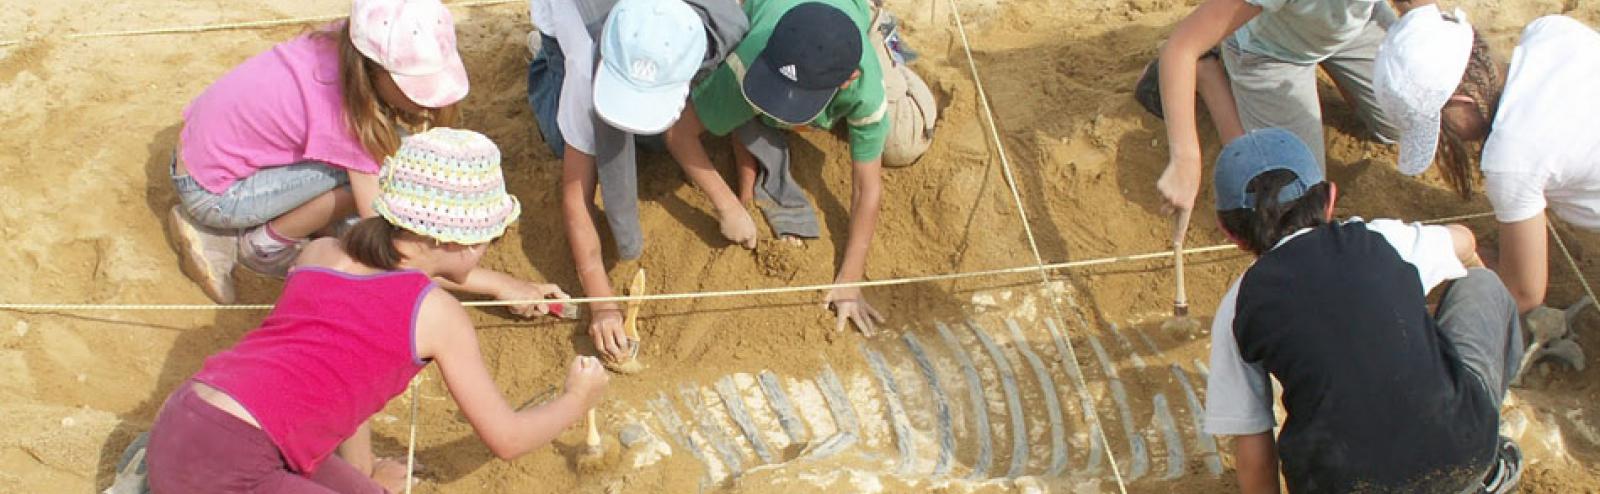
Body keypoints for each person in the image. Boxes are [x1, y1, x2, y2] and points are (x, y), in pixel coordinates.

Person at [145, 128, 608, 493]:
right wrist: (577, 398)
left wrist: (363, 471)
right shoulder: (437, 315)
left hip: (189, 417)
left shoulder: (321, 252)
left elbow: (345, 375)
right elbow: (507, 439)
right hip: (226, 467)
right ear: (456, 241)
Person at [1202, 128, 1522, 493]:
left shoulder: (1238, 305)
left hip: (1342, 485)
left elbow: (1254, 452)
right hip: (1462, 457)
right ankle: (1489, 462)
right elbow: (1463, 240)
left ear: (1230, 233)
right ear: (1330, 199)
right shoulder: (1380, 240)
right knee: (1482, 285)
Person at [165, 0, 467, 304]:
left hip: (202, 157)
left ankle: (300, 220)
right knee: (372, 173)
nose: (427, 101)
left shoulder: (344, 52)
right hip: (213, 194)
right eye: (415, 86)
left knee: (381, 156)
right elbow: (378, 226)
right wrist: (482, 279)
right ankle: (263, 246)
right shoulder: (345, 117)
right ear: (374, 71)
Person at [526, 0, 749, 361]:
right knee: (562, 137)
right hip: (571, 26)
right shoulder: (587, 65)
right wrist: (602, 304)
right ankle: (546, 61)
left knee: (653, 140)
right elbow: (576, 198)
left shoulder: (718, 22)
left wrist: (728, 202)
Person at [664, 0, 890, 335]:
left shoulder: (865, 90)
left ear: (848, 80)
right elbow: (678, 132)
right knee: (748, 107)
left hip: (850, 38)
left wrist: (850, 279)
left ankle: (888, 38)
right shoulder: (757, 53)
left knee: (906, 143)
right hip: (771, 40)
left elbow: (866, 188)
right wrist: (730, 205)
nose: (782, 103)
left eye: (795, 96)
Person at [1375, 4, 1600, 321]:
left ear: (1462, 102)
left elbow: (1523, 294)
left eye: (1442, 124)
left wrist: (1415, 317)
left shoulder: (1511, 157)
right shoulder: (1549, 31)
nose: (1447, 136)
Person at [1138, 0, 1401, 214]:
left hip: (1355, 22)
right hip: (1269, 51)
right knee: (1292, 204)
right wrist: (1186, 159)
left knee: (1404, 119)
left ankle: (1341, 66)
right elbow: (1182, 47)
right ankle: (1207, 74)